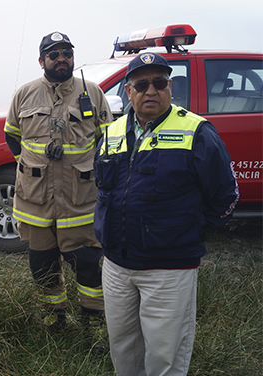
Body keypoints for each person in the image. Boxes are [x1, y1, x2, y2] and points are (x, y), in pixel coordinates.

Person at [95, 52, 239, 375]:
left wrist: (192, 230)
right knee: (123, 351)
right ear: (128, 92)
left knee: (164, 358)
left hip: (169, 270)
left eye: (159, 83)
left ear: (170, 88)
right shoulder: (111, 133)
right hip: (117, 267)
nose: (151, 91)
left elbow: (226, 195)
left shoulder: (197, 131)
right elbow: (103, 190)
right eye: (141, 84)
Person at [4, 31, 112, 351]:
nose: (61, 58)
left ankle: (94, 324)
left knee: (88, 264)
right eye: (54, 54)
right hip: (36, 200)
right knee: (42, 264)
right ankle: (54, 316)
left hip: (80, 200)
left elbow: (107, 139)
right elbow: (12, 135)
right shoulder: (24, 94)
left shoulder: (92, 92)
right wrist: (30, 166)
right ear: (42, 61)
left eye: (66, 52)